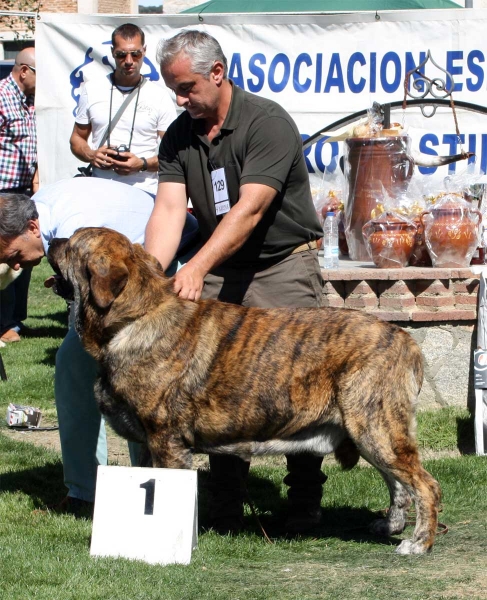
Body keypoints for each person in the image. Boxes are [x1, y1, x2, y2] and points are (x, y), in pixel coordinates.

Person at [145, 30, 326, 534]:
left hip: (281, 265)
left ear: (218, 73)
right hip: (222, 266)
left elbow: (250, 210)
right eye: (173, 91)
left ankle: (304, 502)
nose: (180, 101)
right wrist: (148, 279)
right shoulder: (180, 135)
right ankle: (224, 503)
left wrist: (197, 268)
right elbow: (167, 211)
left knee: (299, 385)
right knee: (216, 387)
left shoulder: (267, 122)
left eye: (186, 88)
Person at [0, 178, 198, 515]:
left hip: (177, 252)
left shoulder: (78, 224)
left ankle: (151, 490)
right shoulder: (41, 215)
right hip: (124, 272)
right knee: (73, 366)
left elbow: (105, 293)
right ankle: (83, 493)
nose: (16, 265)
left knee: (144, 384)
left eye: (15, 255)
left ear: (32, 227)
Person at [69, 22, 177, 197]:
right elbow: (76, 139)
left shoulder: (159, 96)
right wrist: (92, 155)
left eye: (135, 54)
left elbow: (175, 154)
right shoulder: (92, 90)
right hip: (101, 190)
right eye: (121, 55)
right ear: (112, 52)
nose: (129, 61)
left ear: (144, 51)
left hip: (145, 192)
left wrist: (142, 164)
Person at [0, 47, 38, 344]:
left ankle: (14, 320)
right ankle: (2, 323)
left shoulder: (32, 102)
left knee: (23, 257)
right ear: (24, 70)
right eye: (41, 73)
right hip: (2, 191)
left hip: (24, 191)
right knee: (4, 259)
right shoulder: (1, 96)